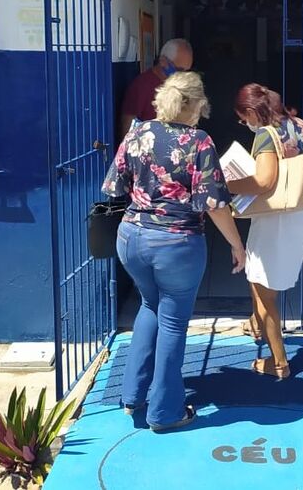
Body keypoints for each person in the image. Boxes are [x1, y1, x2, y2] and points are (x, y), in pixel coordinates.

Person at [101, 71, 246, 432]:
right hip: (176, 244)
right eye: (202, 105)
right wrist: (236, 244)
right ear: (193, 104)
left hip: (131, 238)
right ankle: (165, 412)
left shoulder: (137, 132)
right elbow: (213, 203)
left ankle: (132, 394)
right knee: (173, 323)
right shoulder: (199, 142)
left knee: (150, 306)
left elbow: (113, 186)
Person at [227, 84, 303, 380]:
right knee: (263, 275)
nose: (245, 124)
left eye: (244, 119)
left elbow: (265, 182)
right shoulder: (299, 124)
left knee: (261, 287)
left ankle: (279, 363)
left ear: (253, 112)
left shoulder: (266, 134)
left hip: (279, 218)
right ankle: (256, 324)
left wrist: (226, 183)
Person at [119, 38, 193, 140]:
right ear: (163, 61)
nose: (183, 75)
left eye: (187, 71)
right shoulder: (141, 86)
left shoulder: (181, 86)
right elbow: (127, 126)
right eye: (179, 70)